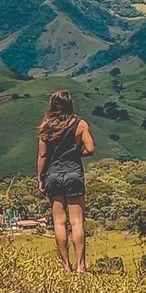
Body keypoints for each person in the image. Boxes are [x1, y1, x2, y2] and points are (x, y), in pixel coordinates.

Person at [36, 89, 96, 273]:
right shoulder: (80, 124)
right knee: (77, 222)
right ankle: (81, 266)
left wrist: (40, 178)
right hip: (74, 174)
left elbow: (42, 155)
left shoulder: (46, 126)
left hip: (53, 175)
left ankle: (65, 266)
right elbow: (91, 149)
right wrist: (76, 153)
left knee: (59, 223)